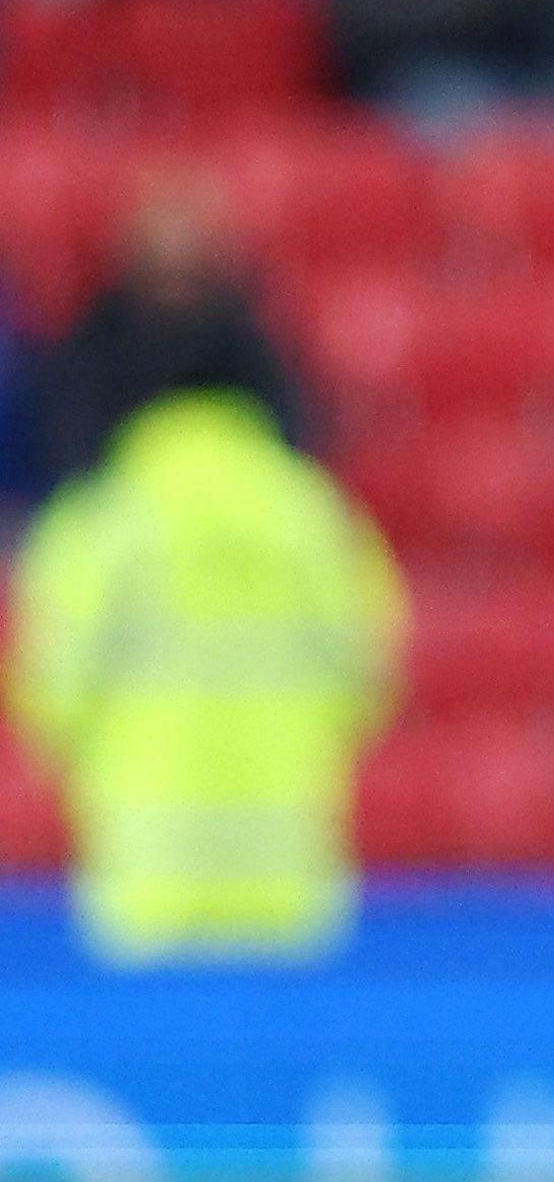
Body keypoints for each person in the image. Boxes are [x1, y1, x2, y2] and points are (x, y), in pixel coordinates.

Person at [9, 381, 402, 966]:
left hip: (146, 885)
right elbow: (369, 674)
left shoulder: (100, 522)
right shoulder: (313, 516)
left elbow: (51, 692)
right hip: (288, 881)